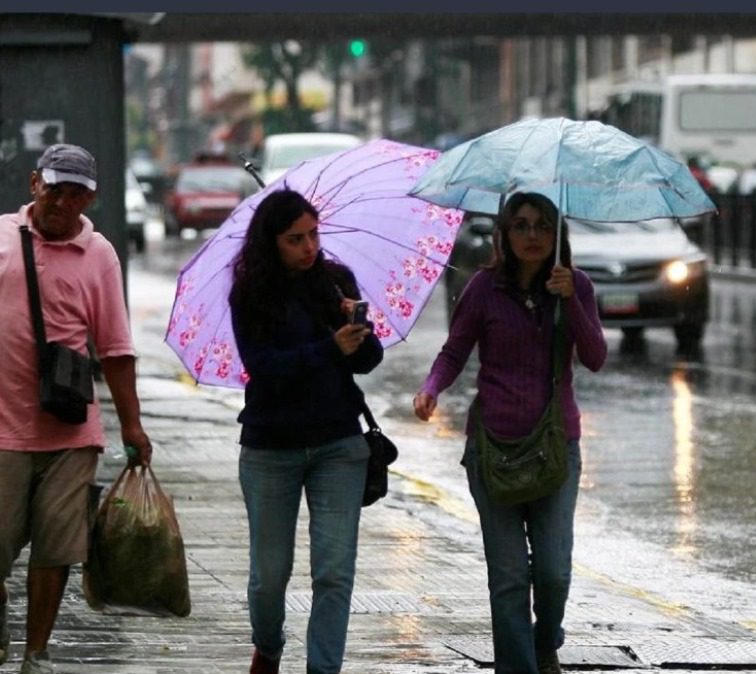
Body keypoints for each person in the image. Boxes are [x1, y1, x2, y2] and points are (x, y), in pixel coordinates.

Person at [0, 143, 152, 674]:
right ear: (33, 185)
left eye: (75, 195)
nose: (62, 203)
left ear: (89, 199)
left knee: (58, 546)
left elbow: (116, 348)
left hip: (70, 430)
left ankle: (37, 653)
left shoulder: (100, 256)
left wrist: (132, 424)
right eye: (54, 190)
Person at [413, 192, 606, 674]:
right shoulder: (484, 287)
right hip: (492, 450)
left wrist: (570, 302)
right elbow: (454, 351)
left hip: (555, 447)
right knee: (509, 578)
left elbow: (596, 356)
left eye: (543, 226)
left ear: (558, 234)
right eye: (520, 225)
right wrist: (430, 389)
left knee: (553, 572)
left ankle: (546, 643)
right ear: (504, 234)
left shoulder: (575, 285)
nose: (532, 235)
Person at [229, 189, 383, 674]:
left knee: (334, 572)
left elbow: (368, 363)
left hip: (339, 444)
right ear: (271, 242)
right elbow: (264, 368)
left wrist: (359, 333)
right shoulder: (250, 292)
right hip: (270, 447)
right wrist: (329, 347)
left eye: (314, 234)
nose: (309, 247)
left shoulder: (336, 282)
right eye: (295, 239)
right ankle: (269, 645)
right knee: (269, 578)